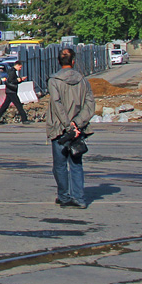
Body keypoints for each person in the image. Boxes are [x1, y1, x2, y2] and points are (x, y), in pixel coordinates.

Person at [47, 47, 94, 209]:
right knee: (76, 163)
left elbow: (56, 104)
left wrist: (68, 125)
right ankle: (79, 198)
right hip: (77, 130)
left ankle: (64, 196)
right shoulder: (83, 80)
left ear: (59, 61)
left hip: (60, 129)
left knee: (59, 165)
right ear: (73, 61)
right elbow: (90, 104)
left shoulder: (54, 81)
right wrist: (77, 123)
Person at [0, 58, 29, 124]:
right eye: (20, 67)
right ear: (17, 65)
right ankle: (24, 119)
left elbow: (12, 81)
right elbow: (11, 81)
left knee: (5, 106)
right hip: (11, 91)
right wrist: (19, 79)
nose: (20, 69)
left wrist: (20, 80)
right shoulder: (12, 72)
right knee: (19, 105)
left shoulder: (12, 71)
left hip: (10, 91)